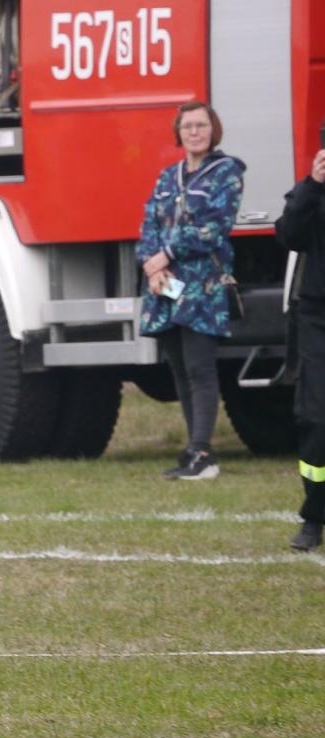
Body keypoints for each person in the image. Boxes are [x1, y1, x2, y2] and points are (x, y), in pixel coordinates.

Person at [136, 102, 244, 481]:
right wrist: (151, 262)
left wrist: (165, 254)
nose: (194, 132)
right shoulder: (169, 177)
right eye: (187, 126)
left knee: (200, 366)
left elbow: (214, 227)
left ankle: (204, 453)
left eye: (201, 125)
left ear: (213, 130)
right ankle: (192, 448)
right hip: (165, 285)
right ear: (178, 132)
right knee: (179, 367)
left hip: (203, 284)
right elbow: (149, 220)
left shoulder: (226, 173)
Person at [275, 147, 325, 552]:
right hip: (318, 316)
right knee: (316, 419)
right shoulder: (313, 188)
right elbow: (288, 234)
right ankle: (314, 516)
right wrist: (313, 185)